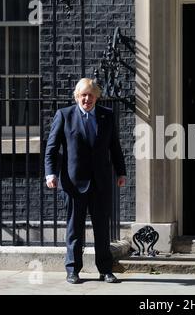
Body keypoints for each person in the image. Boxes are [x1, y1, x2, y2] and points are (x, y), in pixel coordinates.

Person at [45, 78, 126, 284]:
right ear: (77, 96)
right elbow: (52, 148)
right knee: (74, 228)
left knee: (102, 229)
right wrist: (50, 174)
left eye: (91, 95)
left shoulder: (106, 115)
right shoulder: (64, 115)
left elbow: (114, 147)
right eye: (83, 95)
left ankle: (105, 269)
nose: (87, 99)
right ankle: (73, 269)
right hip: (73, 182)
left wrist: (121, 172)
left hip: (100, 182)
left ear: (96, 97)